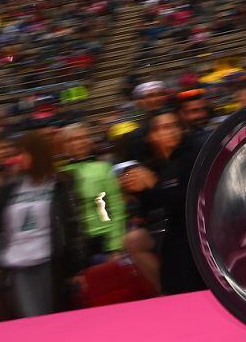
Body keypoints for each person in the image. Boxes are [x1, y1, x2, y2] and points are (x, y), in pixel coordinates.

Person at [0, 130, 85, 319]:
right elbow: (2, 230)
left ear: (37, 153)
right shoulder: (8, 190)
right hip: (18, 266)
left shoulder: (61, 184)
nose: (17, 158)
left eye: (22, 153)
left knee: (55, 322)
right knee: (31, 323)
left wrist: (76, 268)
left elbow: (73, 227)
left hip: (50, 264)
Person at [120, 109, 204, 295]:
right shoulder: (154, 163)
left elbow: (186, 201)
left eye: (175, 126)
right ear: (152, 136)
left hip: (192, 232)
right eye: (165, 127)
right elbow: (152, 205)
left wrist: (153, 184)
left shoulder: (190, 158)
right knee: (134, 241)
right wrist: (135, 191)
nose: (172, 131)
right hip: (168, 231)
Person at [59, 123, 126, 262]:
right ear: (65, 145)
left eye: (83, 138)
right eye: (72, 139)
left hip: (104, 236)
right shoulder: (60, 174)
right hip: (75, 243)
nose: (79, 142)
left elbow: (116, 207)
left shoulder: (103, 168)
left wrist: (115, 246)